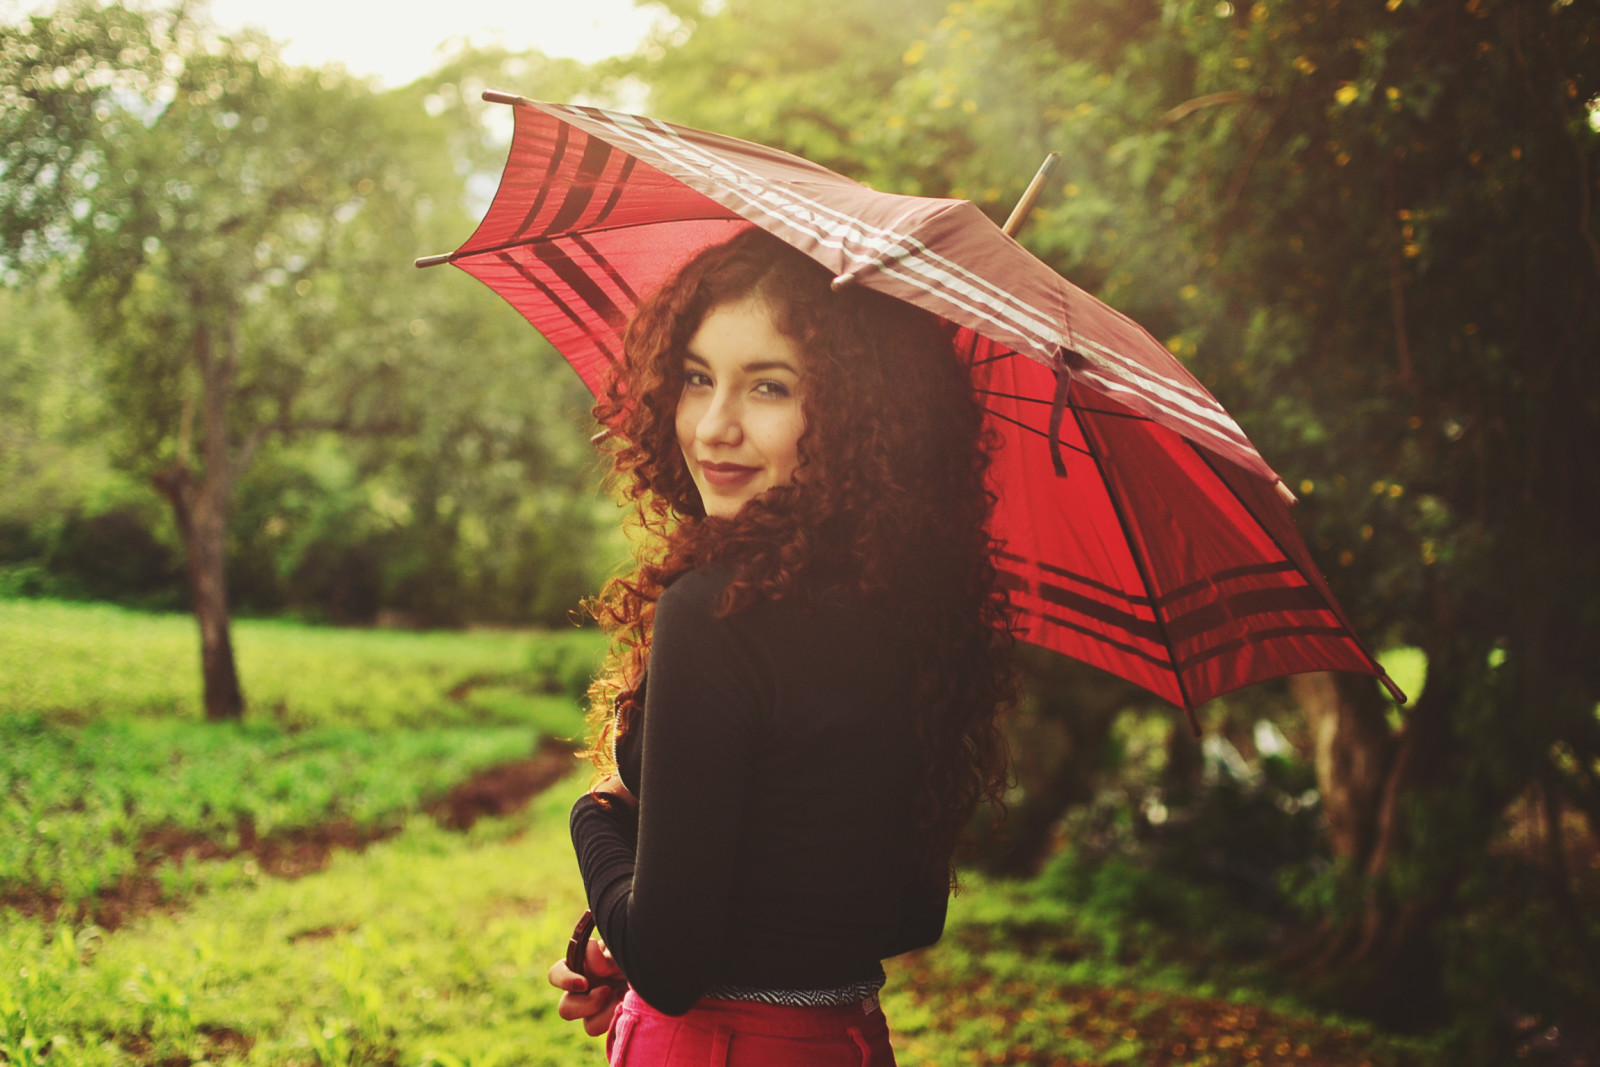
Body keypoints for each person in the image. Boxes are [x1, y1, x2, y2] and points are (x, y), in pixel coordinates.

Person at [546, 228, 1014, 1065]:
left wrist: (597, 814)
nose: (713, 426)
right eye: (696, 378)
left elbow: (672, 961)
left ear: (855, 414)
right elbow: (909, 915)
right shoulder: (919, 617)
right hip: (845, 1043)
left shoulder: (713, 613)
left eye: (767, 387)